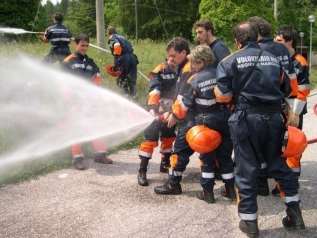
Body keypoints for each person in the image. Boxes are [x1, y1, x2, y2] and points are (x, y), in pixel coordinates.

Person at [214, 21, 305, 237]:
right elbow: (286, 89)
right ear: (257, 38)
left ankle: (250, 223)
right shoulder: (274, 59)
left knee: (246, 169)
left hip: (246, 119)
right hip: (274, 118)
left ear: (237, 42)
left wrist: (218, 92)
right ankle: (295, 214)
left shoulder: (229, 61)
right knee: (278, 165)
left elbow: (224, 96)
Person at [157, 45, 235, 202]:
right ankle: (230, 190)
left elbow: (183, 105)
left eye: (193, 63)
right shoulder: (222, 74)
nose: (191, 66)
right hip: (224, 121)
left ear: (202, 62)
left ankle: (176, 185)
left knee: (182, 151)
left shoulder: (195, 79)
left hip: (200, 121)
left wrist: (173, 114)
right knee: (224, 157)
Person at [248, 16, 300, 196]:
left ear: (254, 33)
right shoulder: (282, 49)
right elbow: (292, 82)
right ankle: (285, 190)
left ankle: (261, 183)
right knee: (277, 146)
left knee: (256, 147)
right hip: (279, 106)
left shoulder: (252, 50)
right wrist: (292, 109)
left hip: (255, 108)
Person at [63, 33, 112, 170]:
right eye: (82, 45)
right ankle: (77, 158)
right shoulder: (68, 61)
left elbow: (97, 78)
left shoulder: (90, 62)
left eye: (86, 45)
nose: (84, 48)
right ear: (75, 44)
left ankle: (100, 155)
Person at [272, 26, 311, 195]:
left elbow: (303, 89)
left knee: (293, 148)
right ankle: (281, 184)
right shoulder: (275, 58)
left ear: (289, 41)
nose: (275, 43)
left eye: (279, 40)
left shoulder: (300, 61)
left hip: (294, 111)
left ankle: (290, 187)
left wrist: (294, 113)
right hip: (278, 110)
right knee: (278, 148)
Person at [194, 19, 232, 180]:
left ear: (209, 31)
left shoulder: (220, 48)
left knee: (222, 143)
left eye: (200, 32)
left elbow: (229, 72)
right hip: (212, 104)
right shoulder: (208, 49)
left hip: (221, 103)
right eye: (196, 32)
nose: (198, 35)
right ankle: (219, 171)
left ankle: (217, 171)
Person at [137, 57, 178, 186]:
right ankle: (142, 171)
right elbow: (154, 89)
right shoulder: (159, 70)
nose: (174, 62)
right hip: (156, 110)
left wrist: (172, 111)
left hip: (171, 111)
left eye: (175, 59)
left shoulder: (181, 70)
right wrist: (154, 109)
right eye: (171, 59)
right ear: (167, 59)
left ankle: (164, 164)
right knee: (150, 140)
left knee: (168, 138)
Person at [107, 26, 139, 97]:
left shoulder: (112, 38)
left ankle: (125, 96)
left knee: (121, 80)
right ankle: (134, 96)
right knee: (132, 80)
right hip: (133, 58)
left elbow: (117, 47)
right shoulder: (122, 37)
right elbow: (131, 47)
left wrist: (116, 65)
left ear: (108, 33)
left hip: (124, 59)